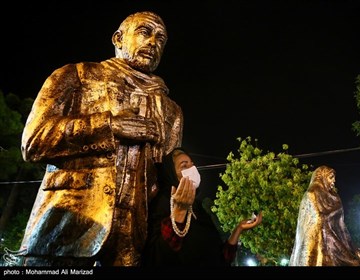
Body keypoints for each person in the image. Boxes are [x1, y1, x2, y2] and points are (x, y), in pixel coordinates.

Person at [17, 11, 183, 266]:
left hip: (131, 246)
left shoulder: (171, 110)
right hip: (66, 232)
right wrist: (108, 126)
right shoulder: (77, 76)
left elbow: (166, 180)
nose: (153, 42)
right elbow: (33, 142)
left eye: (161, 39)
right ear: (118, 38)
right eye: (144, 32)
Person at [142, 147, 262, 267]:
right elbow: (159, 256)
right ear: (172, 174)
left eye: (192, 164)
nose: (192, 169)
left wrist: (238, 229)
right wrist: (179, 211)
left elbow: (221, 258)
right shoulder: (162, 203)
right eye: (184, 166)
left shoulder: (198, 207)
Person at [289, 165, 360, 266]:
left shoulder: (334, 197)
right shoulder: (312, 193)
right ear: (322, 177)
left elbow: (340, 226)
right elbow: (319, 221)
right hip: (318, 243)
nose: (333, 181)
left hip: (334, 243)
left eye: (334, 178)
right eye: (331, 177)